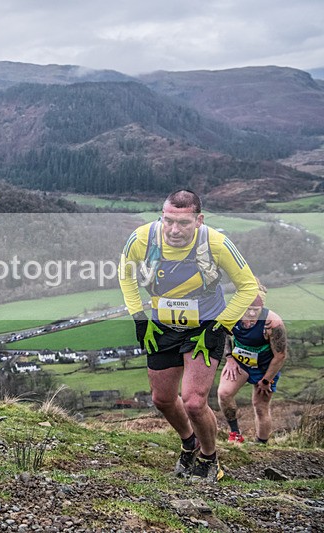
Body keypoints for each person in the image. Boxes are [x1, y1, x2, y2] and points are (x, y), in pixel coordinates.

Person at [118, 190, 258, 482]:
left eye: (183, 223)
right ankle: (189, 442)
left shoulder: (216, 243)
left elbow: (248, 286)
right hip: (162, 325)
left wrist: (220, 326)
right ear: (161, 216)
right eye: (168, 220)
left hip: (205, 326)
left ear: (199, 220)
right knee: (163, 399)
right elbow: (126, 275)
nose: (174, 229)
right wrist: (139, 317)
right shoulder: (142, 238)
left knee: (194, 401)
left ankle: (209, 458)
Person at [217, 283, 287, 444]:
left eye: (256, 309)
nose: (251, 312)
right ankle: (235, 434)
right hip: (241, 363)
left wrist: (266, 380)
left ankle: (261, 445)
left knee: (260, 406)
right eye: (248, 308)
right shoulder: (232, 314)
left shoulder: (273, 323)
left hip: (265, 366)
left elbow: (280, 355)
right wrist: (229, 358)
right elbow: (223, 335)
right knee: (224, 394)